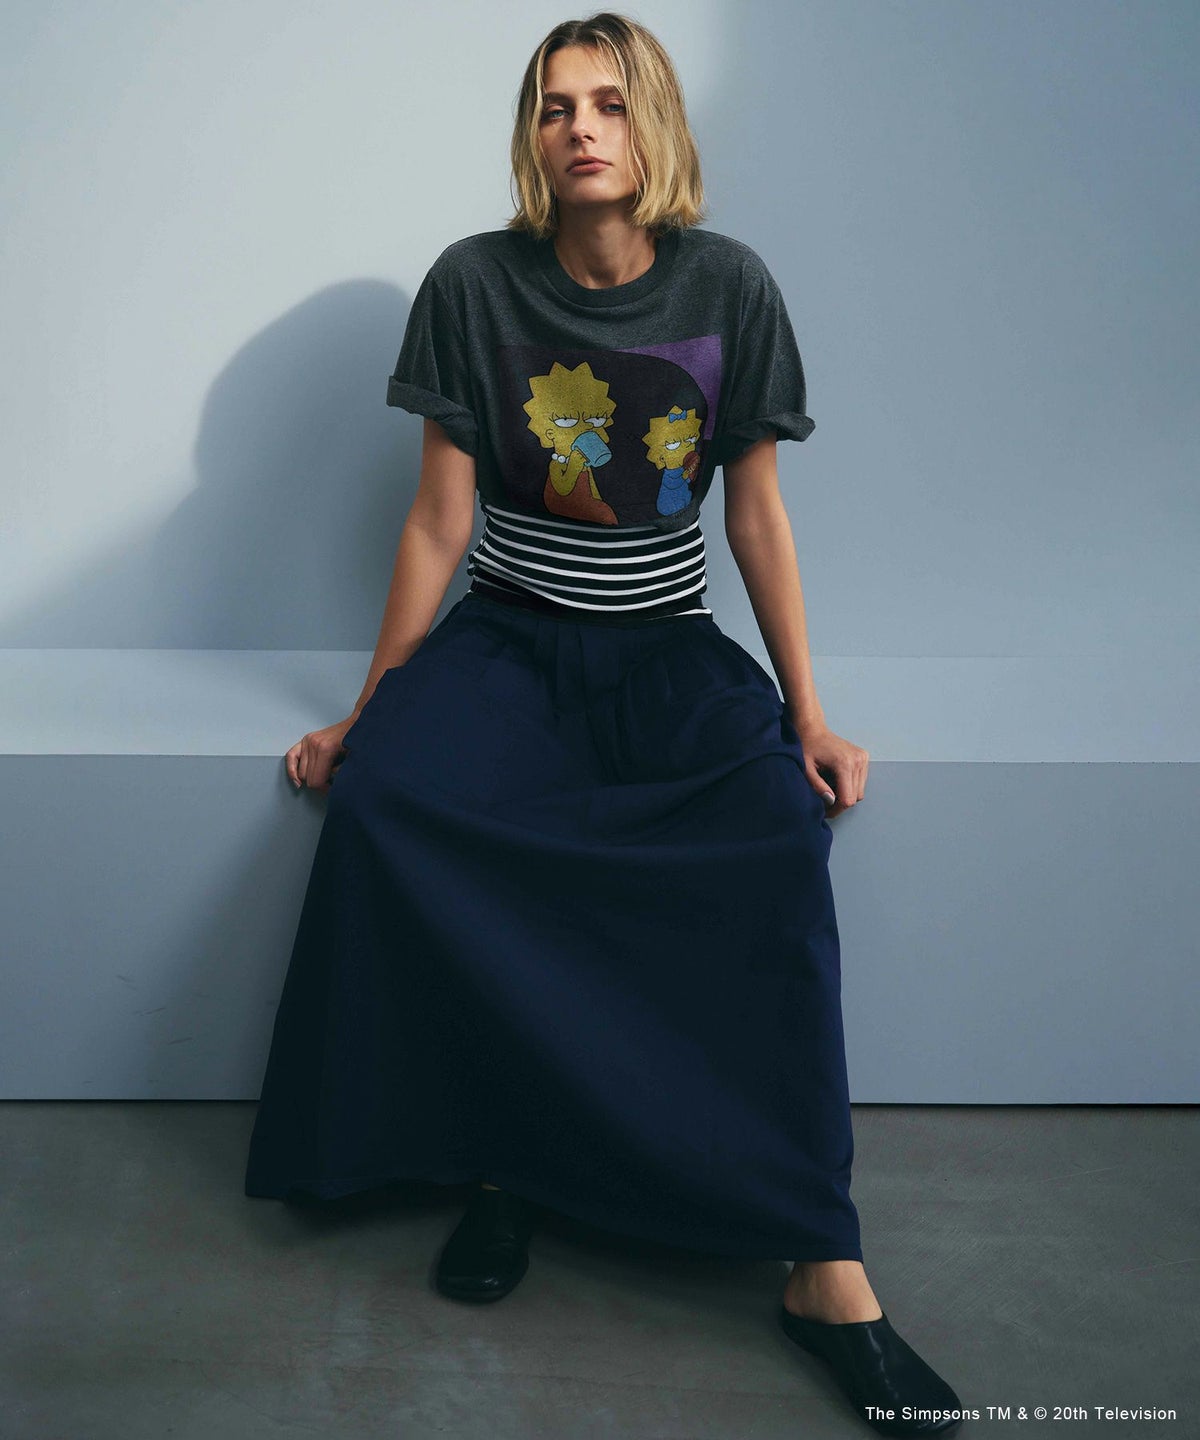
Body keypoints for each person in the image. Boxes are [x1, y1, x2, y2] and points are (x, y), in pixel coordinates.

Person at [245, 12, 964, 1436]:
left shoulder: (729, 283)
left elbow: (755, 514)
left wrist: (810, 714)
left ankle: (822, 1264)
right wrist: (371, 709)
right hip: (508, 645)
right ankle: (502, 1161)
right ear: (532, 135)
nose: (582, 128)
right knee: (391, 806)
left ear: (656, 126)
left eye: (611, 104)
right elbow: (440, 517)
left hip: (665, 652)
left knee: (774, 840)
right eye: (555, 106)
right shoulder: (472, 283)